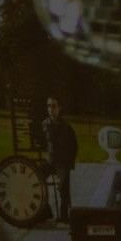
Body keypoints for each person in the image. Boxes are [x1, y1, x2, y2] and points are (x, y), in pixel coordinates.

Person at [40, 96, 78, 224]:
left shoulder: (66, 127)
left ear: (59, 108)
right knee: (37, 178)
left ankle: (64, 215)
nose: (51, 109)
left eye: (54, 106)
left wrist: (69, 163)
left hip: (62, 162)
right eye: (49, 106)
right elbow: (42, 142)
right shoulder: (44, 124)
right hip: (50, 161)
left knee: (63, 187)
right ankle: (45, 210)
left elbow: (74, 146)